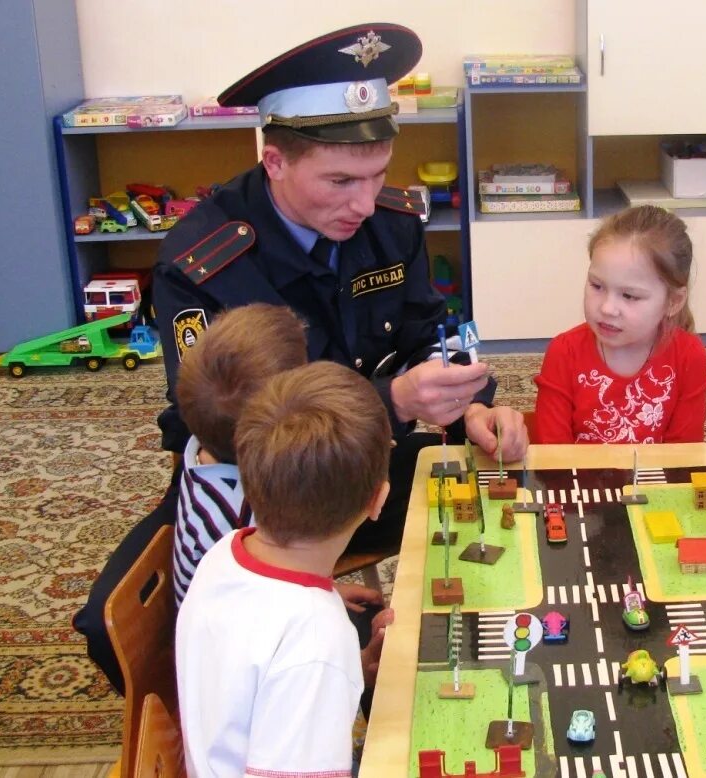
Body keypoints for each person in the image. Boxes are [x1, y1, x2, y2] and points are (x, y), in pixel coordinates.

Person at [73, 23, 526, 692]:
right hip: (258, 489)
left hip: (368, 463)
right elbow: (215, 427)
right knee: (113, 632)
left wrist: (474, 405)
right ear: (274, 159)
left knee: (503, 516)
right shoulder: (203, 265)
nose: (364, 203)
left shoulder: (391, 222)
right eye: (340, 180)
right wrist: (393, 402)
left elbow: (427, 331)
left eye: (377, 176)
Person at [177, 360, 392, 777]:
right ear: (377, 500)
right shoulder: (316, 637)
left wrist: (351, 668)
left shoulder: (226, 550)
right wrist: (331, 669)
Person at [170, 303, 385, 633]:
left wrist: (327, 591)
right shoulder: (241, 519)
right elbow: (260, 643)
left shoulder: (206, 451)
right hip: (261, 644)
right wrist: (360, 665)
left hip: (276, 610)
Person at [533, 205, 706, 443]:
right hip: (575, 480)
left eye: (629, 296)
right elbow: (552, 456)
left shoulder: (689, 356)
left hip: (656, 480)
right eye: (597, 286)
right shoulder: (564, 352)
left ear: (674, 301)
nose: (607, 308)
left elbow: (683, 458)